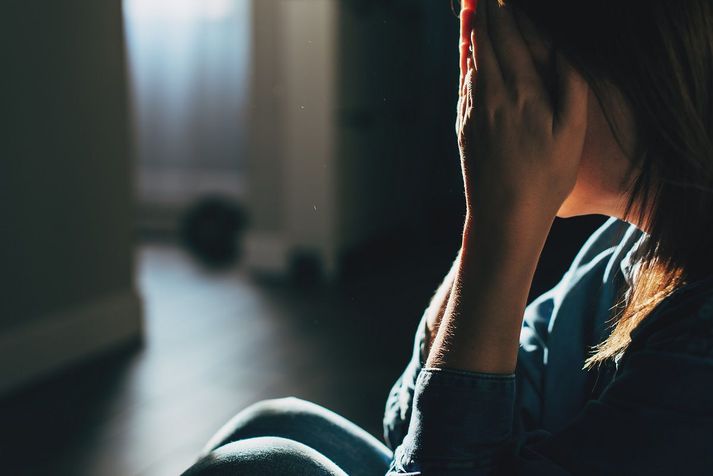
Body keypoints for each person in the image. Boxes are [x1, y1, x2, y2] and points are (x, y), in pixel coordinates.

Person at [183, 0, 713, 474]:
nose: (489, 98)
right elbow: (412, 424)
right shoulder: (620, 255)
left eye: (510, 67)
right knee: (275, 427)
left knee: (265, 467)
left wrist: (503, 223)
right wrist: (495, 212)